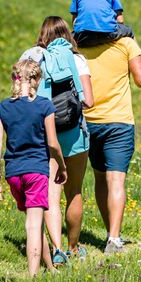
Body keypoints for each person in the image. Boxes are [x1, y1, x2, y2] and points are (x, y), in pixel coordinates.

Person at [20, 17, 94, 262]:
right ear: (67, 35)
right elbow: (89, 101)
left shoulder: (31, 55)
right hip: (75, 134)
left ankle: (57, 250)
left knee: (51, 194)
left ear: (42, 34)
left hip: (44, 134)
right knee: (74, 192)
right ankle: (73, 248)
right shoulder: (77, 59)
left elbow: (22, 95)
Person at [0, 59, 67, 276]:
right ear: (37, 80)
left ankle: (50, 268)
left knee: (35, 220)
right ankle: (32, 279)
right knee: (33, 225)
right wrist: (61, 166)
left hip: (13, 174)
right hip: (36, 171)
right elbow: (52, 143)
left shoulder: (3, 107)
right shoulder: (44, 106)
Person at [81, 29, 141, 254]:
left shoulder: (79, 43)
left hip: (87, 120)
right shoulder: (125, 43)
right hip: (118, 122)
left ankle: (108, 233)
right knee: (116, 181)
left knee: (100, 178)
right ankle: (113, 238)